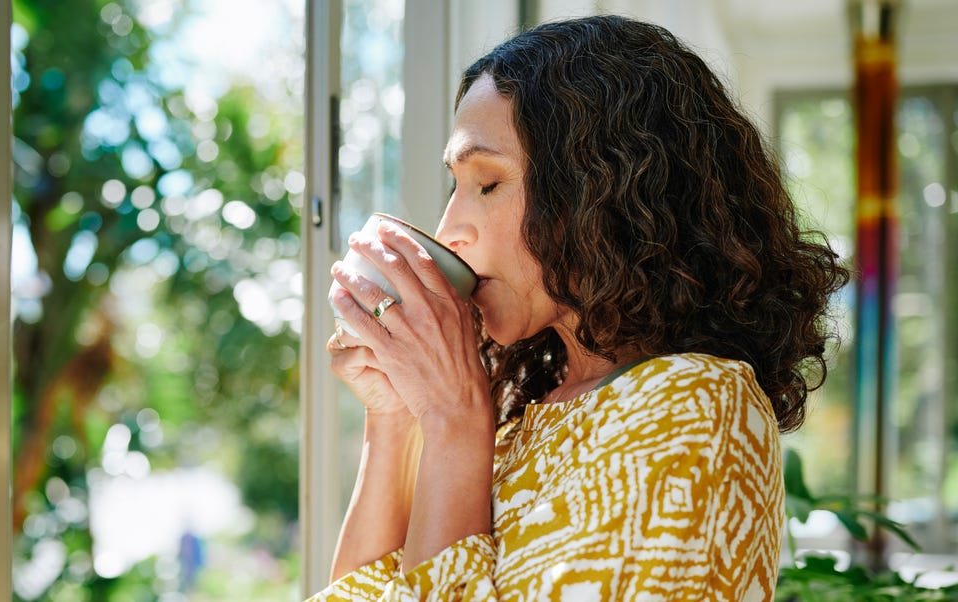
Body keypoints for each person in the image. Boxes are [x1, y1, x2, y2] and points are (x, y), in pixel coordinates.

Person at [311, 14, 849, 602]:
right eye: (454, 187)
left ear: (601, 191)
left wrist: (453, 418)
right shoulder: (519, 422)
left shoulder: (696, 404)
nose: (447, 229)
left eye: (487, 184)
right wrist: (395, 421)